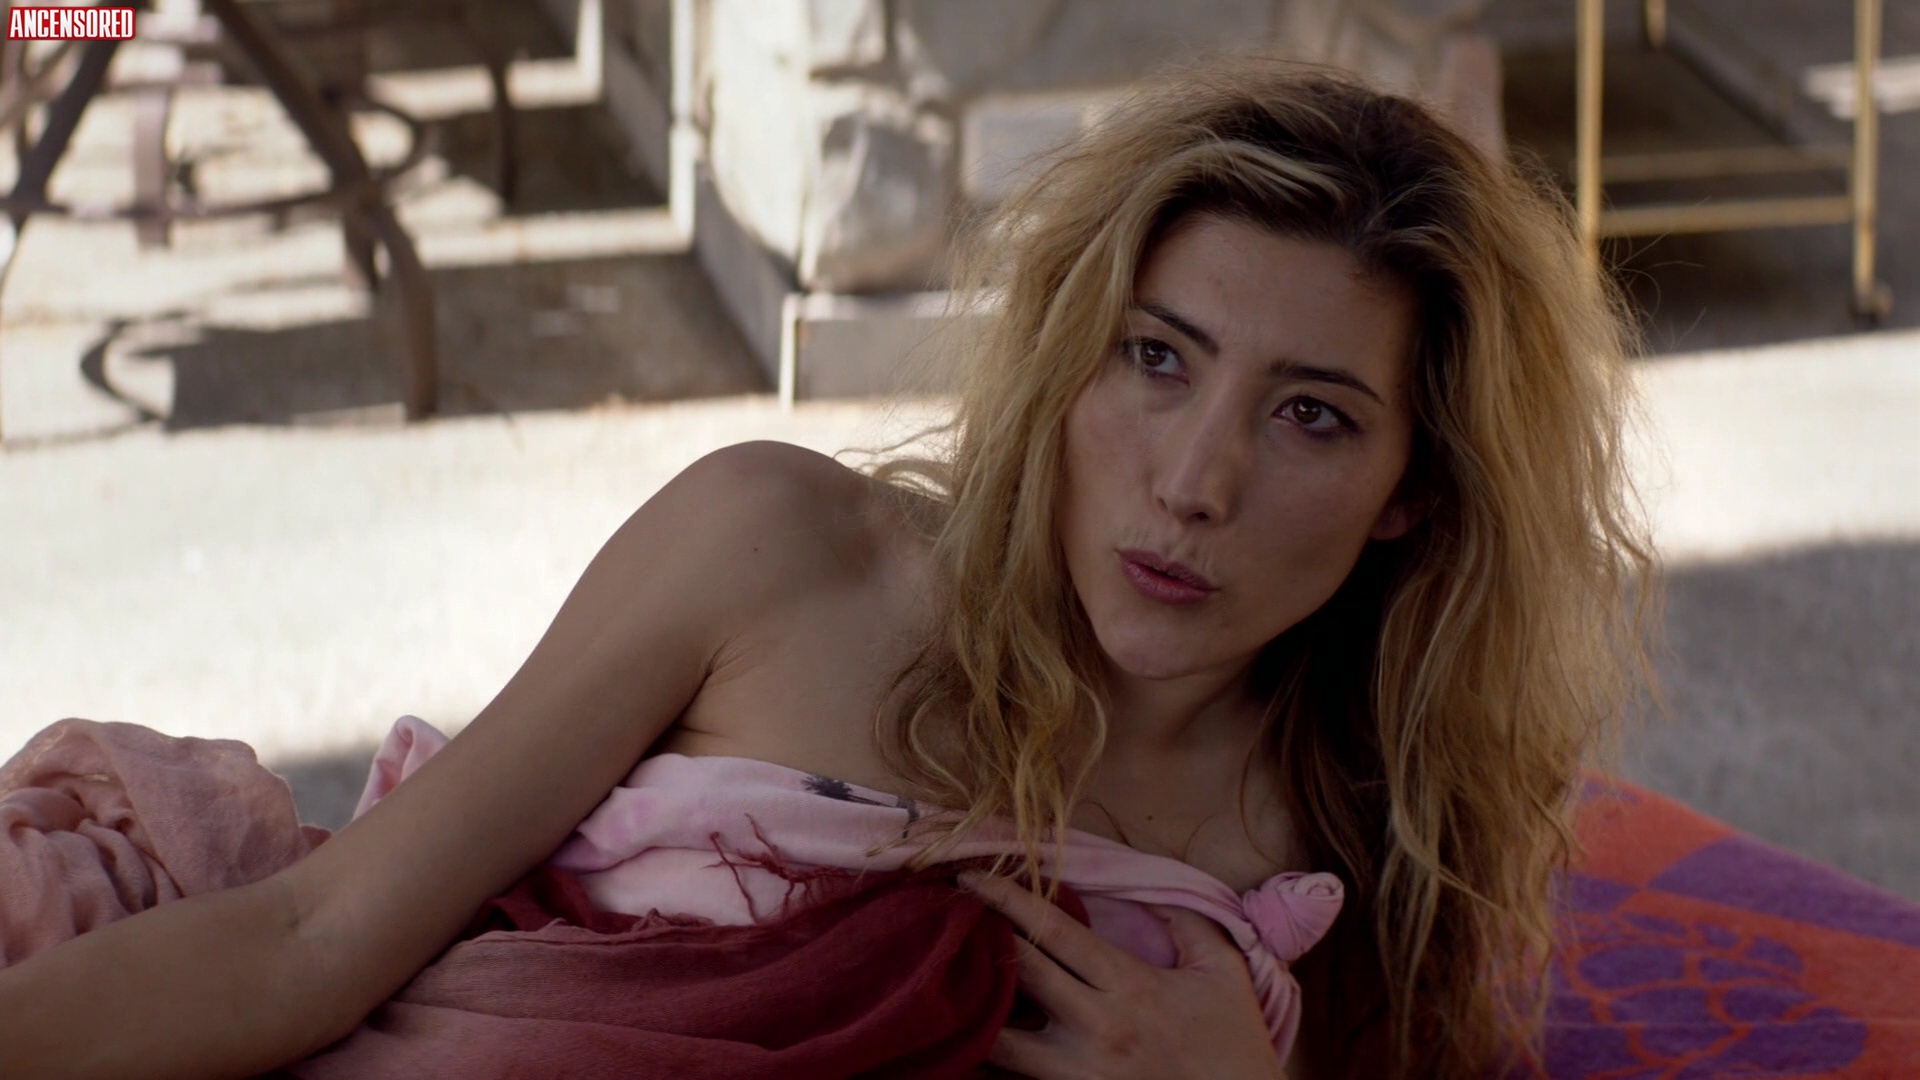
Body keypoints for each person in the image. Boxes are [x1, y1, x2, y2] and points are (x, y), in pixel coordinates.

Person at [0, 59, 1656, 1080]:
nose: (1195, 480)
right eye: (1156, 358)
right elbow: (313, 936)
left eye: (1311, 415)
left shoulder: (1363, 825)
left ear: (1411, 494)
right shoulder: (782, 549)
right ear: (1067, 360)